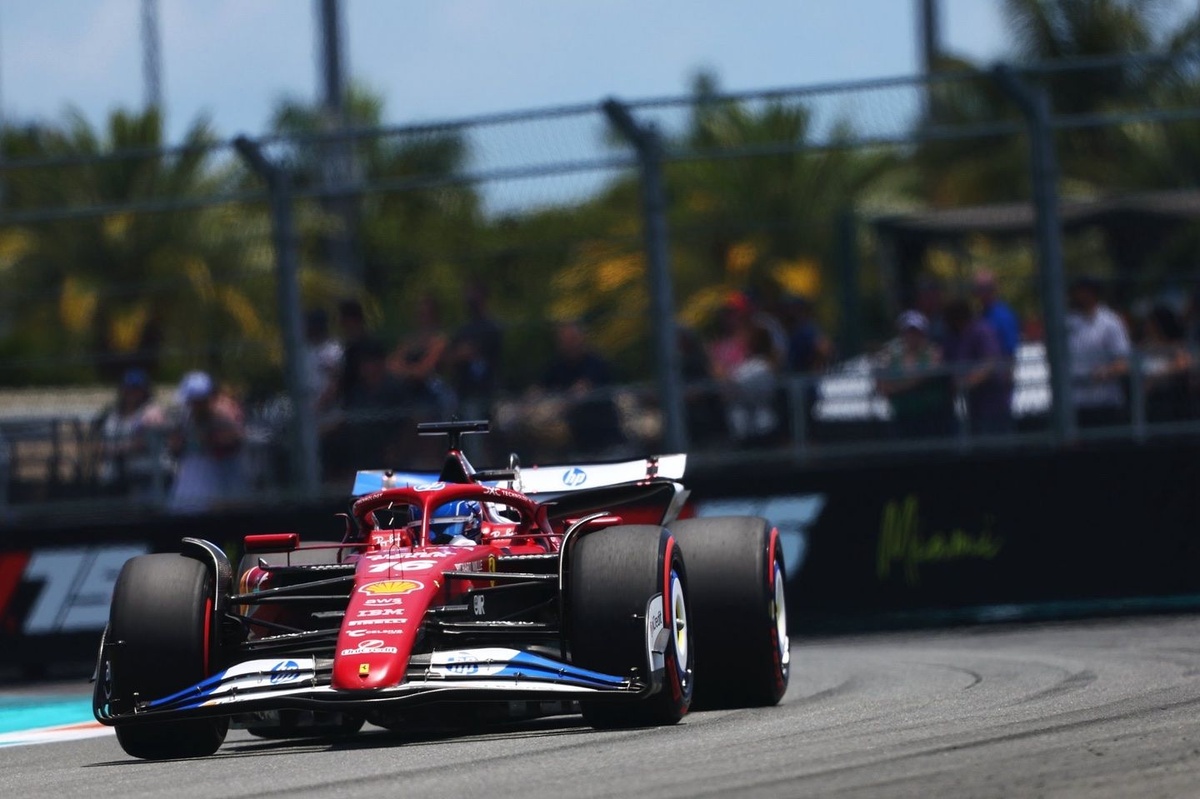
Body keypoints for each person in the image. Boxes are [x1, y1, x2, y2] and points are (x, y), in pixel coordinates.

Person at [539, 320, 623, 455]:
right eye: (563, 340)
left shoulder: (596, 363)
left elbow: (581, 391)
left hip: (603, 437)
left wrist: (555, 408)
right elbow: (540, 389)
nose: (568, 344)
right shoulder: (557, 365)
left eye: (571, 338)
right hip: (574, 440)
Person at [168, 371, 246, 512]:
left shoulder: (221, 420)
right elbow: (174, 448)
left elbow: (232, 441)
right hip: (189, 490)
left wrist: (208, 437)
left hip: (220, 487)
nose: (192, 405)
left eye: (197, 401)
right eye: (191, 401)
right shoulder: (184, 422)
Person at [875, 310, 954, 439]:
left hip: (930, 416)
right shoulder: (891, 356)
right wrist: (907, 384)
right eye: (909, 331)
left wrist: (900, 386)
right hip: (902, 415)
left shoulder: (934, 353)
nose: (912, 336)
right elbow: (882, 385)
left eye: (916, 331)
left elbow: (929, 374)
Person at [1067, 277, 1132, 427]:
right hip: (1076, 402)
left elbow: (1123, 362)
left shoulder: (1110, 322)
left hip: (1105, 401)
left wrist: (1104, 372)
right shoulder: (1068, 323)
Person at [95, 368, 167, 498]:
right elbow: (99, 443)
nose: (132, 393)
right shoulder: (113, 414)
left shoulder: (151, 411)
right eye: (128, 388)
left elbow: (143, 442)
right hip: (115, 476)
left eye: (136, 388)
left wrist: (116, 449)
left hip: (146, 476)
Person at [942, 298, 1011, 434]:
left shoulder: (981, 331)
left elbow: (990, 362)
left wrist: (966, 383)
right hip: (972, 407)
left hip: (993, 404)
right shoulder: (954, 336)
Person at [447, 283, 503, 422]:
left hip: (486, 392)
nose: (470, 299)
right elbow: (449, 356)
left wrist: (461, 353)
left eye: (474, 295)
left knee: (477, 429)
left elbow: (466, 353)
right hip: (462, 391)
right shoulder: (464, 329)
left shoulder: (490, 327)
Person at [724, 325, 782, 446]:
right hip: (744, 426)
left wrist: (717, 371)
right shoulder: (749, 365)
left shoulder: (760, 366)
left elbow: (733, 387)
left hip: (758, 427)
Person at [1141, 304, 1193, 423]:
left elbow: (1183, 364)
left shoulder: (1175, 347)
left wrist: (1157, 376)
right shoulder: (1146, 348)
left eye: (1151, 323)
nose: (1147, 327)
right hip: (1151, 403)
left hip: (1172, 400)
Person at [973, 270, 1021, 360]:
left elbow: (1009, 351)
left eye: (984, 289)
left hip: (998, 370)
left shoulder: (1004, 316)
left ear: (994, 290)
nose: (980, 294)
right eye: (978, 289)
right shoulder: (979, 315)